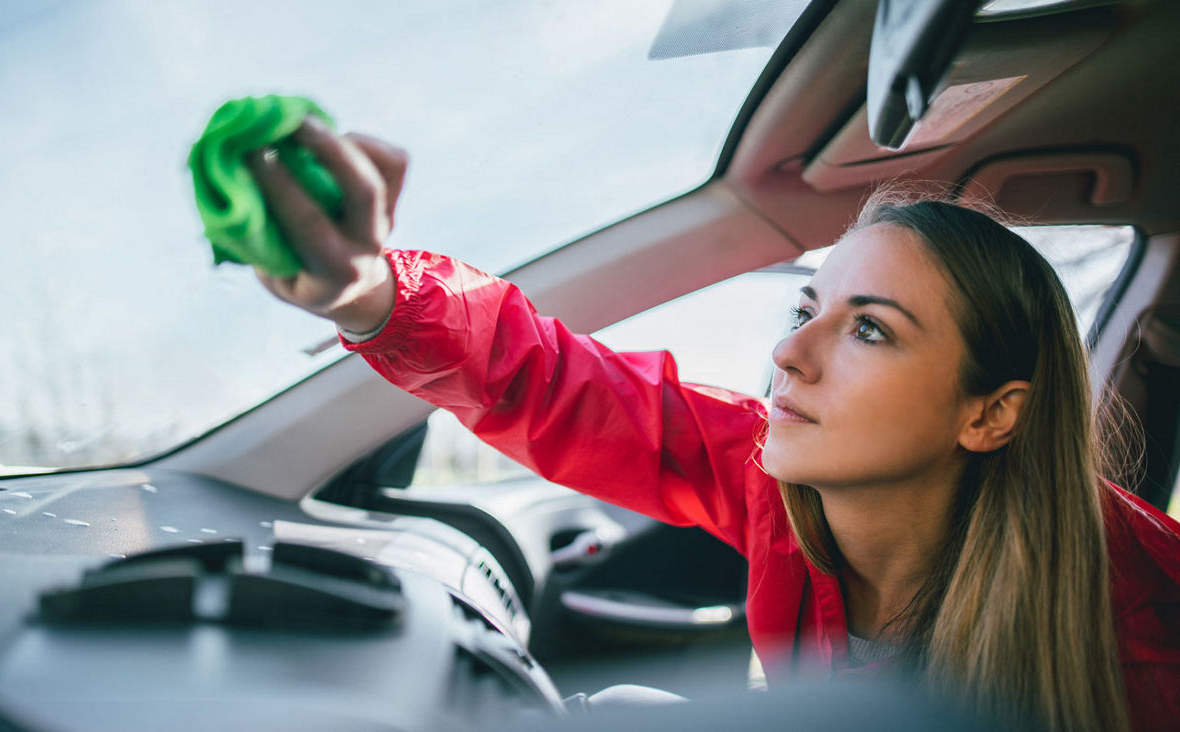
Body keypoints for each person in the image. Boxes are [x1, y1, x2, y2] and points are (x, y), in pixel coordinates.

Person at [246, 118, 1180, 731]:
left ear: (991, 414)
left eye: (868, 329)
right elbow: (557, 385)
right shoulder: (775, 483)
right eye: (805, 309)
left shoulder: (1146, 630)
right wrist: (367, 291)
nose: (789, 355)